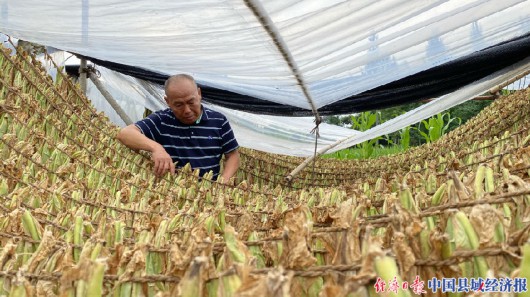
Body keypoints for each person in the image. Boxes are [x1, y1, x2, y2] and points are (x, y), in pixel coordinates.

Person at [117, 74, 240, 183]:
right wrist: (156, 148)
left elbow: (233, 155)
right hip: (171, 191)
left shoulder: (219, 121)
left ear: (199, 94)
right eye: (179, 105)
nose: (187, 110)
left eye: (191, 102)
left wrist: (224, 181)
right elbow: (125, 133)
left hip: (209, 191)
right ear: (168, 101)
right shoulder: (161, 120)